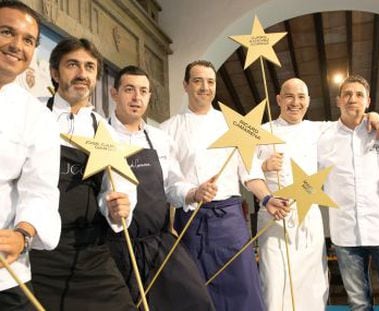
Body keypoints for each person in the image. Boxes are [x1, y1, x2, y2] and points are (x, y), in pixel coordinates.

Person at [160, 60, 290, 311]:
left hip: (229, 220)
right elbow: (170, 182)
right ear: (185, 85)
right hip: (191, 221)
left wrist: (267, 199)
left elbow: (249, 172)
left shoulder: (233, 125)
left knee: (243, 289)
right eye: (197, 81)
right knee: (195, 291)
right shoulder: (168, 130)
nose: (204, 87)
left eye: (210, 82)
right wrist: (193, 192)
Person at [257, 78, 379, 311]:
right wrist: (263, 167)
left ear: (308, 101)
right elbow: (244, 173)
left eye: (301, 97)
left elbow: (351, 118)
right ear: (278, 99)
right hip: (274, 217)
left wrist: (372, 115)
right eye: (289, 96)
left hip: (309, 217)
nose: (295, 102)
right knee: (274, 282)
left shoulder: (320, 129)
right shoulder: (261, 133)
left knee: (313, 284)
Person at [29, 38, 136, 311]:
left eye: (89, 67)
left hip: (91, 251)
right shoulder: (32, 116)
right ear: (54, 72)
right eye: (72, 64)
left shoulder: (106, 131)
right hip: (37, 251)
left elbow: (115, 190)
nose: (82, 73)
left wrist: (117, 208)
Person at [106, 65, 215, 310]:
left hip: (158, 243)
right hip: (115, 247)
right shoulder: (99, 135)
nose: (136, 98)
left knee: (196, 300)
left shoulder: (160, 139)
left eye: (143, 91)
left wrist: (193, 193)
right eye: (129, 90)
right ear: (114, 93)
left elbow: (172, 185)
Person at [318, 74, 379, 310]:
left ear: (368, 101)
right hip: (345, 234)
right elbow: (308, 175)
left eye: (359, 94)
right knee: (359, 303)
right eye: (347, 94)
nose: (353, 99)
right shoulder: (324, 138)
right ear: (338, 100)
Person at [0, 1, 61, 310]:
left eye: (28, 40)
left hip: (5, 274)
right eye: (6, 32)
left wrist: (22, 235)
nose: (16, 46)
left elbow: (40, 190)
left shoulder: (37, 116)